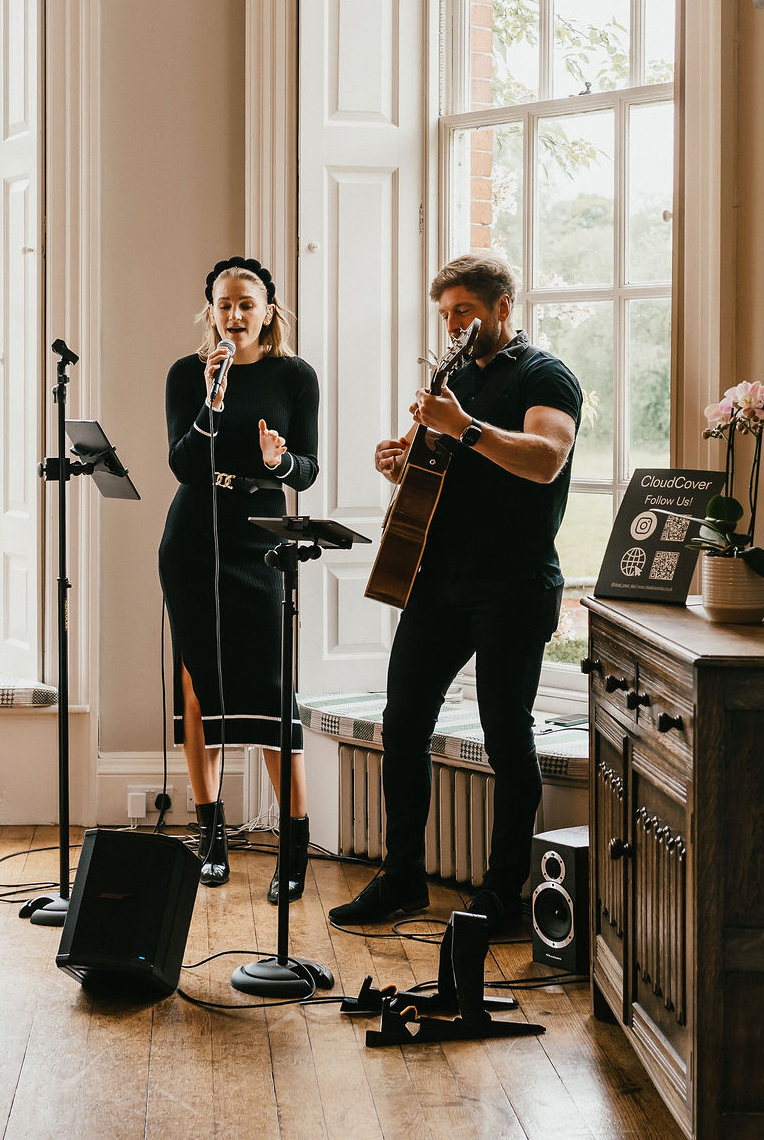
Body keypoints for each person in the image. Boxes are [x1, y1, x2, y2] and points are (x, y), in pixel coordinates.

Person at [329, 253, 581, 933]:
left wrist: (462, 425)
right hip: (437, 579)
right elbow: (435, 467)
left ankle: (503, 896)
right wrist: (398, 459)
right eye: (445, 315)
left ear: (503, 307)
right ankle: (403, 876)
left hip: (514, 583)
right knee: (402, 723)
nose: (454, 326)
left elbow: (546, 457)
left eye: (464, 311)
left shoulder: (545, 374)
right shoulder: (454, 378)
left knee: (507, 735)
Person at [158, 256, 320, 900]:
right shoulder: (187, 375)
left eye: (246, 304)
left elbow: (307, 470)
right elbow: (183, 465)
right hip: (195, 539)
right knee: (202, 688)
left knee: (273, 695)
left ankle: (293, 846)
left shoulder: (296, 376)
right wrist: (212, 403)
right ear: (211, 311)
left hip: (262, 542)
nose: (234, 316)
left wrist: (283, 463)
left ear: (268, 311)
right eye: (223, 305)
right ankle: (211, 835)